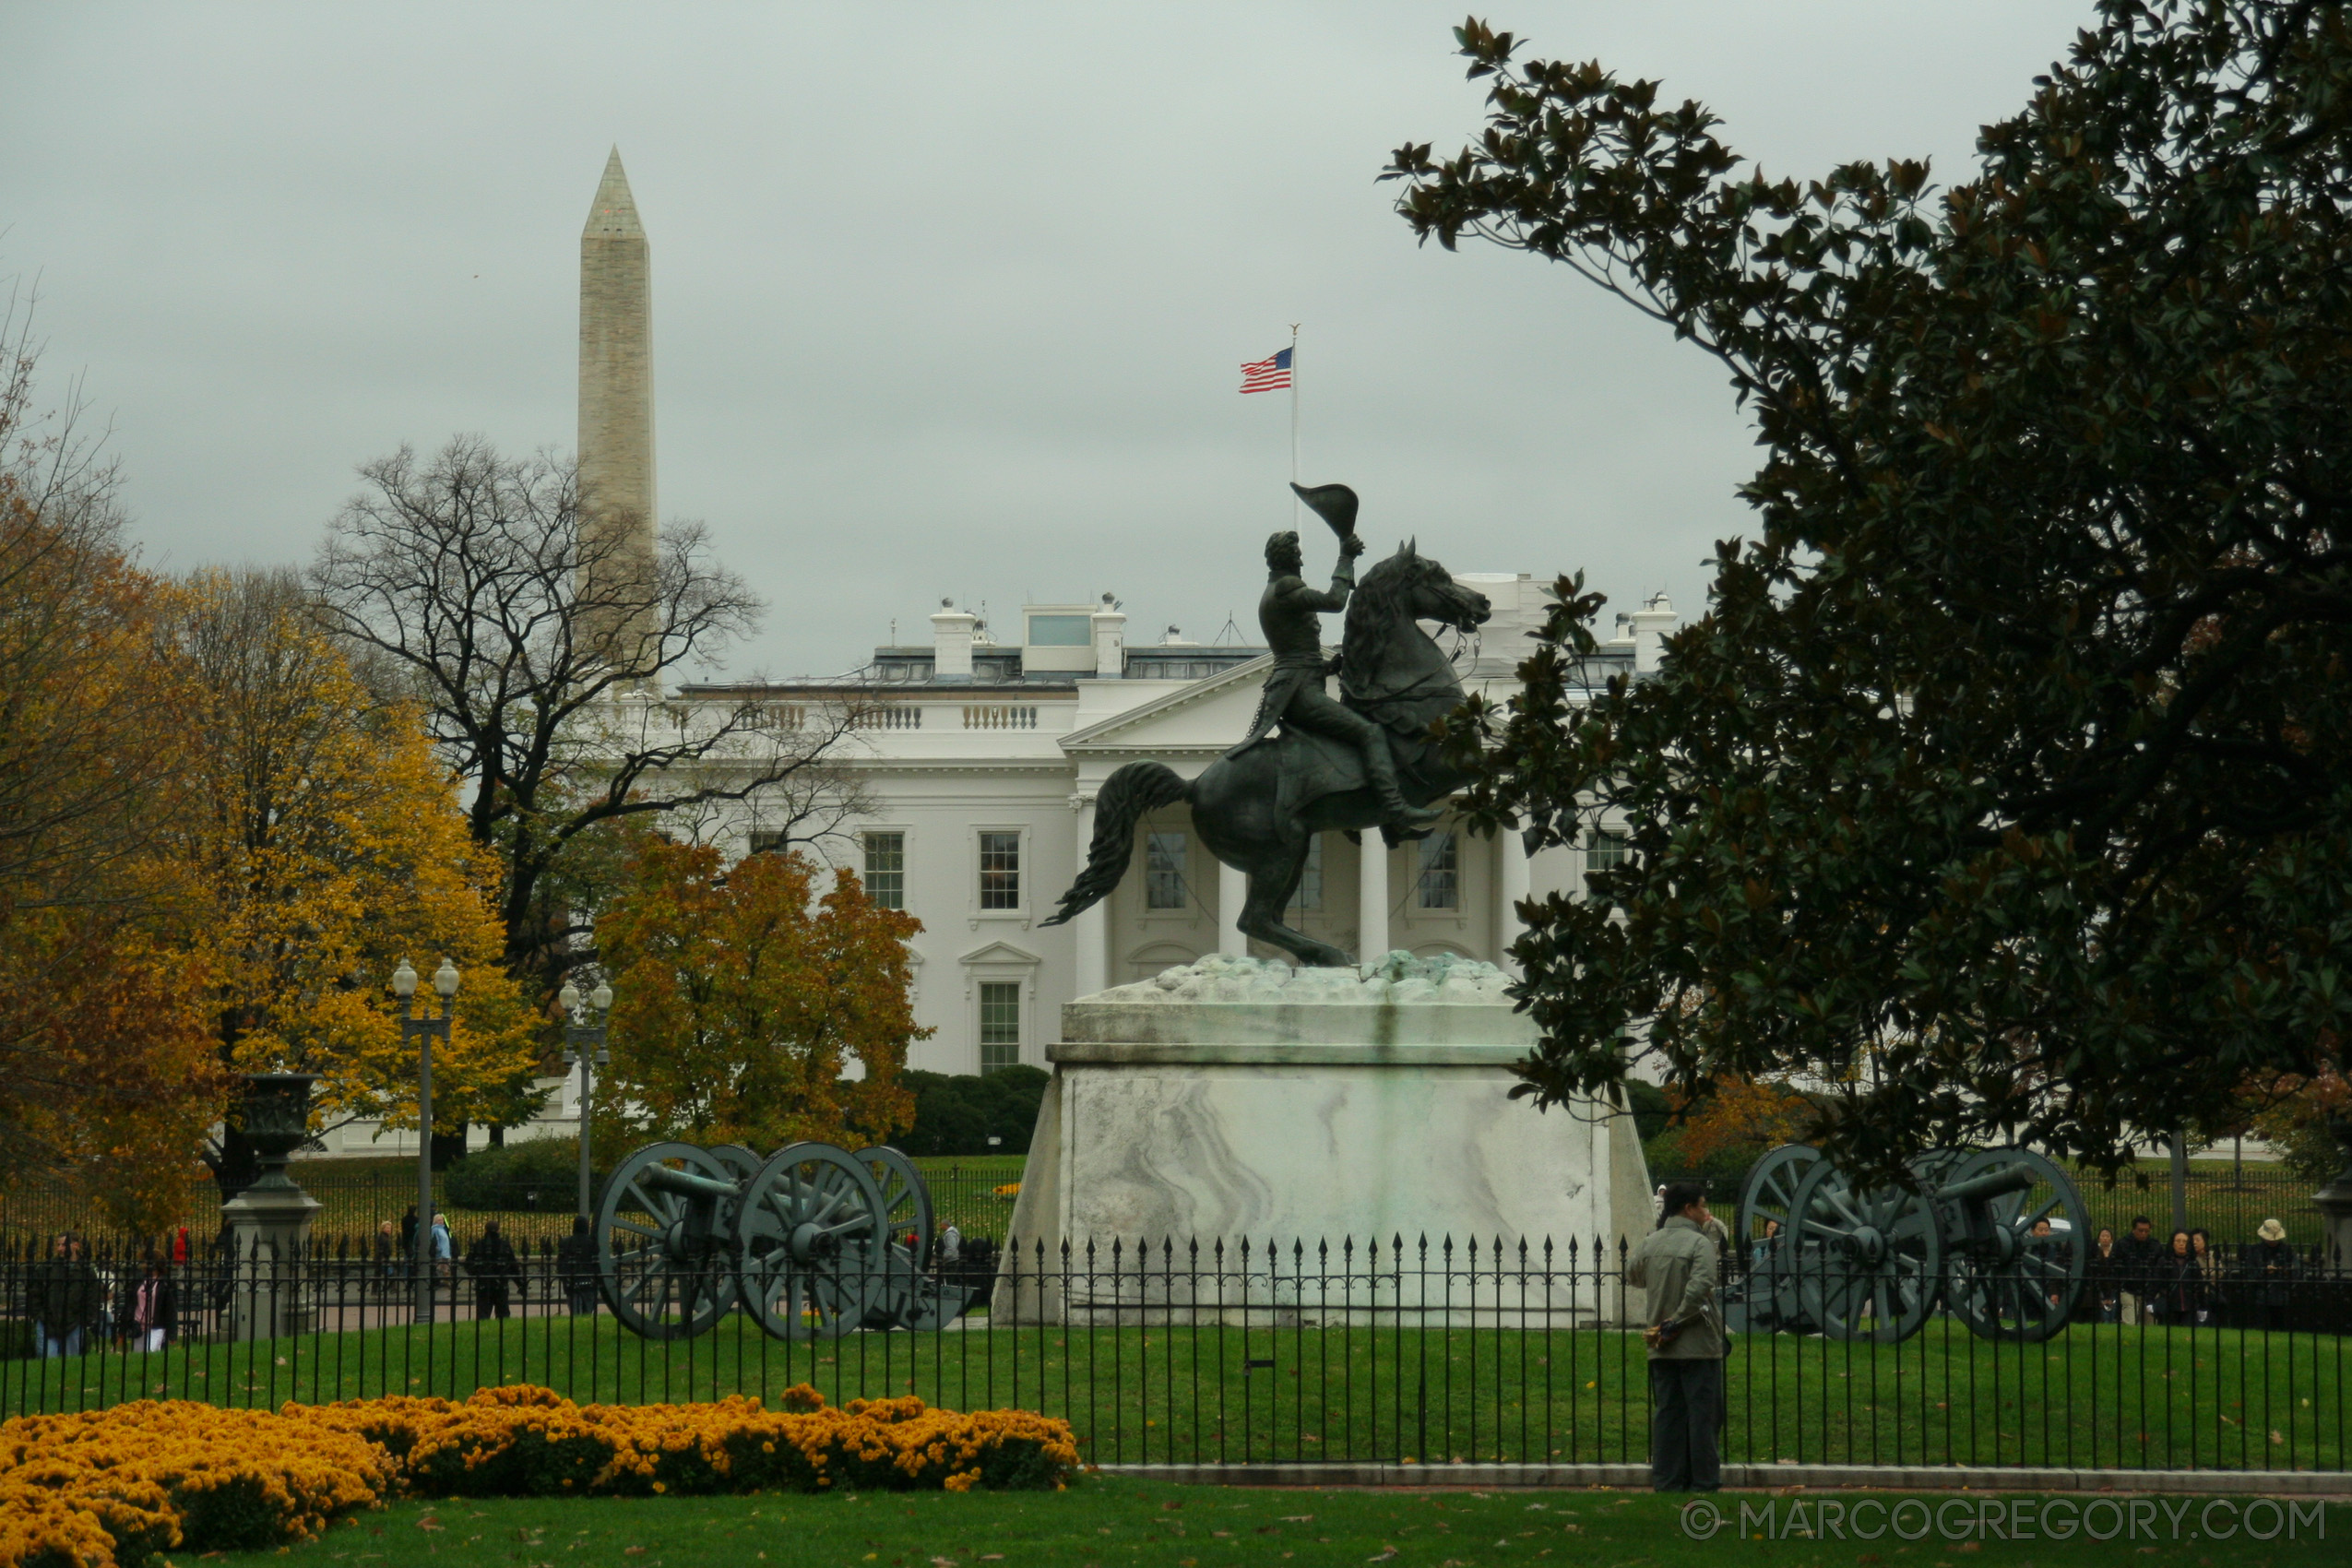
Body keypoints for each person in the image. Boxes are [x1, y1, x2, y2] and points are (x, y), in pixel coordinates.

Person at [1224, 492, 1443, 834]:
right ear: (1288, 558)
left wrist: (1328, 667)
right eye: (1297, 554)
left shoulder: (1274, 592)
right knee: (1369, 732)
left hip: (1300, 683)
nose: (1300, 559)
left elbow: (1298, 653)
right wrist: (1345, 557)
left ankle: (1354, 812)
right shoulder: (1285, 588)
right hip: (1300, 694)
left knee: (1348, 736)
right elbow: (1335, 601)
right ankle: (1396, 810)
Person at [1627, 1181, 1727, 1493]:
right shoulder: (1699, 1244)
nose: (1706, 1212)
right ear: (1689, 1209)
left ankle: (1668, 1481)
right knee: (1704, 1416)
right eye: (1703, 1205)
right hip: (1697, 1343)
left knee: (1668, 1414)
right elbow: (1701, 1286)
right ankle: (1704, 1481)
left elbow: (1633, 1274)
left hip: (1660, 1341)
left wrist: (1665, 1317)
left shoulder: (1650, 1243)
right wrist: (1679, 1318)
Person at [2241, 1218, 2298, 1333]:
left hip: (2282, 1294)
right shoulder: (2254, 1251)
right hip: (2261, 1295)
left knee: (2282, 1328)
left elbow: (2297, 1270)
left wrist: (2286, 1271)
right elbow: (2249, 1272)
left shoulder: (2287, 1250)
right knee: (2261, 1328)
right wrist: (2263, 1270)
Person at [465, 1220, 519, 1320]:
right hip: (501, 1283)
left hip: (483, 1284)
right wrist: (520, 1284)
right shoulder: (504, 1245)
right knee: (503, 1314)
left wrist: (477, 1275)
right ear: (499, 1230)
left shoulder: (479, 1244)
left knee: (483, 1314)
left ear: (485, 1230)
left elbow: (468, 1264)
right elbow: (513, 1266)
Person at [2114, 1215, 2164, 1325]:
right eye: (2140, 1231)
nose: (2143, 1234)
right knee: (2129, 1321)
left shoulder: (2155, 1245)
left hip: (2149, 1289)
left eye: (2146, 1231)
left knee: (2150, 1324)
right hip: (2127, 1287)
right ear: (2133, 1230)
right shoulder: (2122, 1244)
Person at [131, 1251, 175, 1353]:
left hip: (156, 1325)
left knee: (149, 1351)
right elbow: (131, 1303)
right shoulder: (139, 1280)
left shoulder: (164, 1283)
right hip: (138, 1324)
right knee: (138, 1354)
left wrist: (172, 1333)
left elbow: (171, 1309)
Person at [555, 1215, 600, 1315]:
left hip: (571, 1283)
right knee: (588, 1312)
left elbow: (560, 1264)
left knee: (575, 1313)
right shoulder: (592, 1242)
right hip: (589, 1283)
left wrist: (564, 1279)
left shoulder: (565, 1242)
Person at [2189, 1229, 2224, 1326]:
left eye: (2198, 1240)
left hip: (2210, 1292)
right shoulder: (2189, 1257)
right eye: (2192, 1240)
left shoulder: (2212, 1256)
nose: (2194, 1243)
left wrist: (2202, 1274)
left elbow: (2219, 1273)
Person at [2088, 1227, 2120, 1323]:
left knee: (2113, 1307)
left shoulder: (2115, 1252)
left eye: (2107, 1236)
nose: (2105, 1238)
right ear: (2099, 1238)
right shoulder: (2095, 1252)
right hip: (2099, 1283)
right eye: (2103, 1236)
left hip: (2113, 1284)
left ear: (2111, 1239)